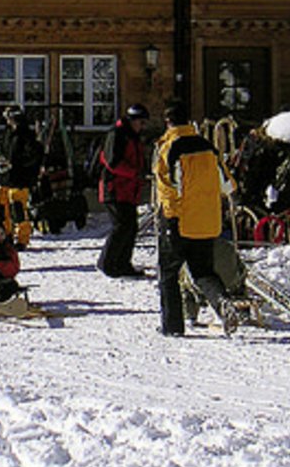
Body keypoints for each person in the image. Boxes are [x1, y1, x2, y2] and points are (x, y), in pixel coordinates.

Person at [152, 102, 240, 336]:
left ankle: (172, 327)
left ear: (168, 122)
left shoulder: (169, 148)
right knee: (202, 271)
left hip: (180, 220)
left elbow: (167, 188)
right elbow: (228, 184)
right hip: (207, 222)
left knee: (168, 273)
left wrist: (169, 219)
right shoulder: (209, 148)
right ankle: (223, 303)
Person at [97, 103, 150, 278]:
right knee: (121, 226)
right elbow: (112, 162)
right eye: (141, 123)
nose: (143, 127)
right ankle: (108, 263)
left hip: (128, 189)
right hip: (115, 188)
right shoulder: (118, 134)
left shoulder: (132, 136)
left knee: (130, 227)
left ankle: (122, 263)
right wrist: (135, 173)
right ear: (133, 120)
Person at [0, 105, 42, 248]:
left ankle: (22, 238)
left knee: (18, 209)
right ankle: (6, 235)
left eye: (9, 117)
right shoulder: (7, 133)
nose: (7, 120)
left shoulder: (26, 135)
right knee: (1, 209)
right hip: (4, 177)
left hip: (20, 178)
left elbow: (34, 156)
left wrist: (16, 164)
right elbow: (2, 149)